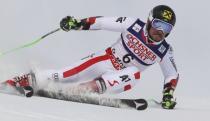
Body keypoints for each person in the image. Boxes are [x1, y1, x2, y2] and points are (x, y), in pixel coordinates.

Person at [3, 5, 179, 109]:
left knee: (134, 73)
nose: (160, 32)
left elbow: (171, 74)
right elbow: (102, 22)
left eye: (167, 29)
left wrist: (168, 95)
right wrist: (77, 24)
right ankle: (21, 80)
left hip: (118, 78)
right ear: (149, 21)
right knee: (63, 75)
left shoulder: (164, 50)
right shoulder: (133, 24)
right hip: (105, 60)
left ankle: (87, 89)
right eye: (158, 24)